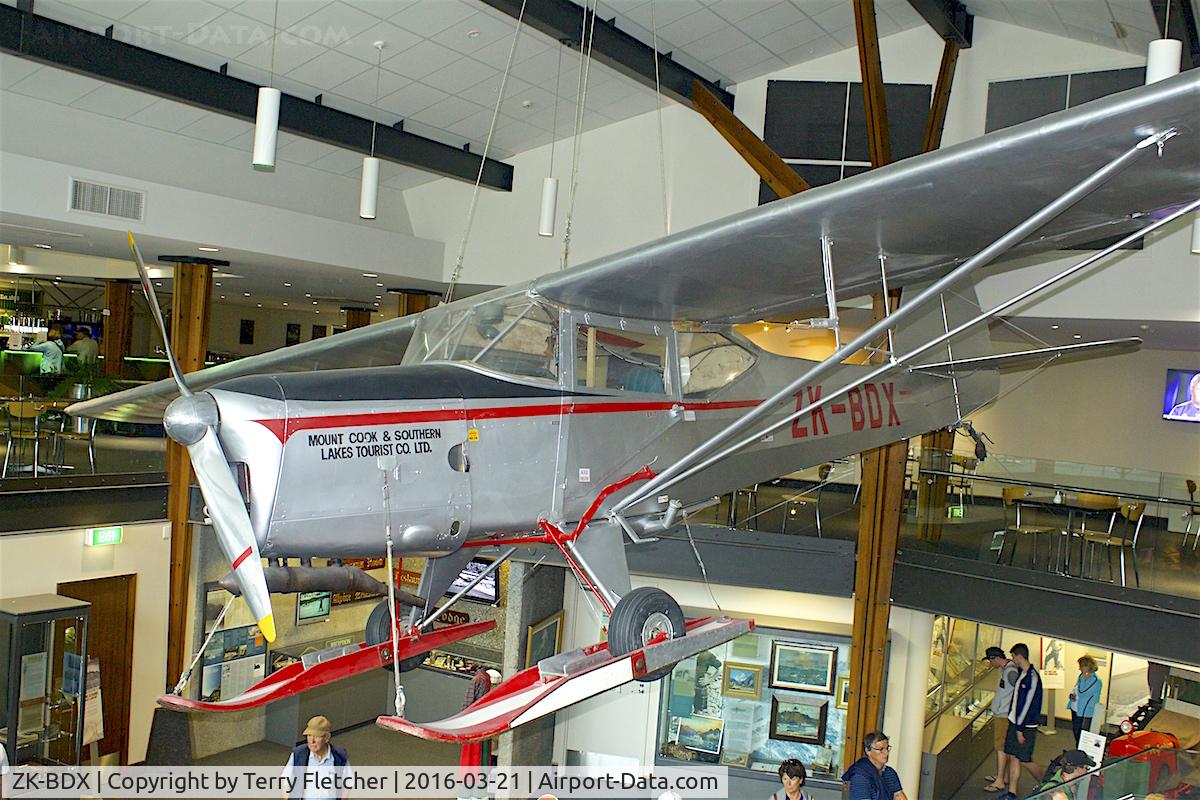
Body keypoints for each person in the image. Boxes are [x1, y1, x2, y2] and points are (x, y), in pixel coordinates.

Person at [1002, 643, 1043, 800]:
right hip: (1015, 723)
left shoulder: (1032, 677)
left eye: (1013, 656)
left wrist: (1019, 729)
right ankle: (1012, 792)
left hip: (1025, 726)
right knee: (1013, 756)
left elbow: (1027, 704)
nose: (1013, 659)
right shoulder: (1021, 673)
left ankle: (1047, 783)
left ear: (1019, 656)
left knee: (1025, 759)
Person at [283, 715, 350, 800]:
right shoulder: (299, 754)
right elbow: (285, 782)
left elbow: (347, 784)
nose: (312, 741)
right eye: (309, 735)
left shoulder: (339, 756)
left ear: (327, 737)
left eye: (316, 736)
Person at [982, 646, 1021, 793]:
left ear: (995, 659)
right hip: (1003, 713)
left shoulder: (1010, 672)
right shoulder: (1007, 669)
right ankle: (1001, 776)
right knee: (1001, 747)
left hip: (1004, 715)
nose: (991, 664)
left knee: (1000, 747)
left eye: (991, 661)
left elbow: (1019, 692)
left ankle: (999, 781)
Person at [842, 731, 907, 800]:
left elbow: (899, 796)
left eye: (887, 748)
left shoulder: (890, 772)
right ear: (868, 751)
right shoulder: (860, 775)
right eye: (881, 749)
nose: (886, 753)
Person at [1068, 655, 1102, 745]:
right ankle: (1078, 749)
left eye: (1081, 666)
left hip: (1085, 711)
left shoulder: (1096, 680)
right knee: (1076, 730)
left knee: (1083, 734)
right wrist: (1072, 695)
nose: (1079, 668)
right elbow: (1076, 689)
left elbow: (1083, 692)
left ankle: (1081, 752)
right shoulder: (1081, 676)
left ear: (1087, 666)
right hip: (1075, 708)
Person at [27, 326, 65, 392]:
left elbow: (33, 348)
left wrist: (39, 340)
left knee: (44, 389)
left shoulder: (47, 345)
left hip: (47, 370)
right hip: (57, 370)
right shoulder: (61, 345)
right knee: (53, 390)